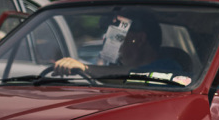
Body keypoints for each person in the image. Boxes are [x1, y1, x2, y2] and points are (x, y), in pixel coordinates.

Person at [52, 8, 185, 81]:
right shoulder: (115, 67)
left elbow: (133, 74)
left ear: (139, 39)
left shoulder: (169, 68)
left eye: (117, 32)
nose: (107, 38)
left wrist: (85, 68)